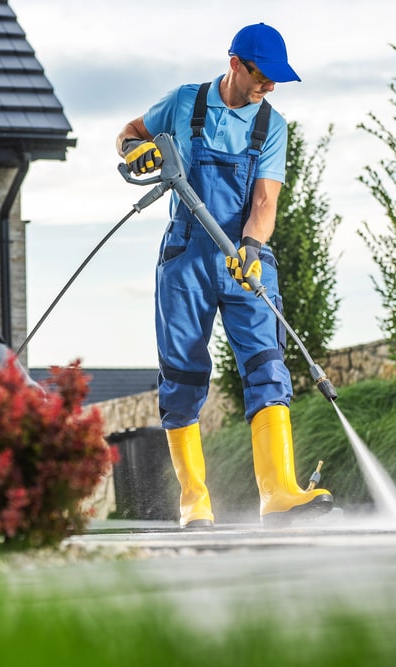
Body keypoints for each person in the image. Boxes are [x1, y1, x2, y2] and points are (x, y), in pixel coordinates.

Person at [115, 23, 333, 528]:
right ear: (236, 63)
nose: (270, 87)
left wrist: (252, 248)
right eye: (262, 76)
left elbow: (265, 201)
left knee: (267, 368)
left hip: (246, 264)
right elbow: (129, 133)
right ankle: (194, 501)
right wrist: (133, 151)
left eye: (277, 80)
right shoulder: (184, 103)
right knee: (184, 378)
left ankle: (279, 494)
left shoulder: (271, 124)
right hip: (186, 259)